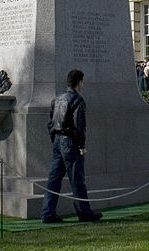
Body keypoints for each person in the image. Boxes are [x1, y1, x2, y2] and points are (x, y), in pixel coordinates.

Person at [41, 69, 101, 223]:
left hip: (58, 140)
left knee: (54, 179)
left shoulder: (57, 98)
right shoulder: (77, 100)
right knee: (77, 179)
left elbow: (50, 123)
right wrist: (81, 146)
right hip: (70, 142)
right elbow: (80, 127)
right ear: (79, 82)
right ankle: (84, 212)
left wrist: (54, 139)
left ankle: (47, 212)